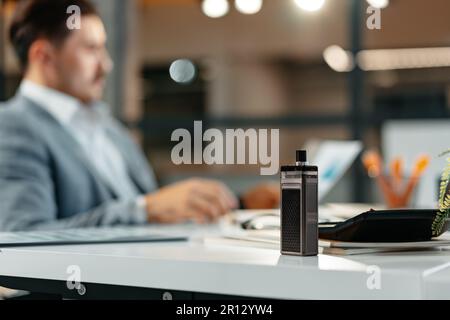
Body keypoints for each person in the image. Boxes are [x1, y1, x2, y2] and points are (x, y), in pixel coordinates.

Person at [0, 0, 279, 231]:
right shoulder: (14, 126)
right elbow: (23, 234)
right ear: (43, 56)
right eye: (91, 49)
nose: (106, 64)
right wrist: (144, 211)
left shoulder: (108, 128)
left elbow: (155, 208)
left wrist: (239, 204)